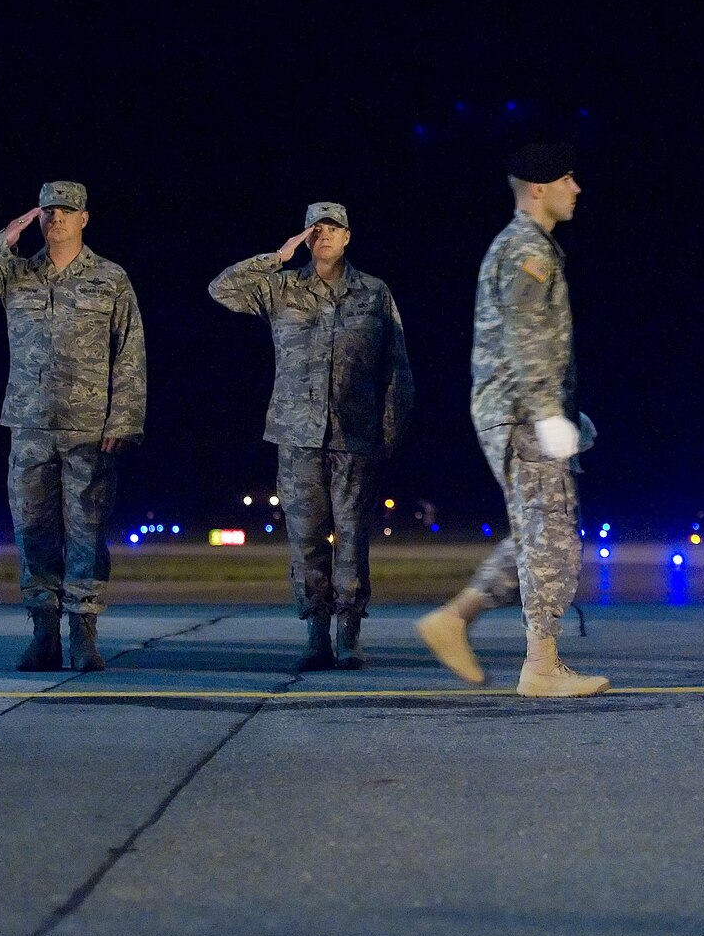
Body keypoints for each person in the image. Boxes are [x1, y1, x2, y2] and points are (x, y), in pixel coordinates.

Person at [414, 143, 608, 697]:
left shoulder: (527, 247)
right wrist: (548, 415)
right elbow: (526, 341)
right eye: (569, 179)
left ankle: (455, 618)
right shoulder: (528, 249)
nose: (577, 188)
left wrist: (565, 414)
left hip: (518, 410)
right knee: (549, 538)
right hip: (520, 415)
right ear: (540, 188)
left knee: (540, 532)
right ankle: (541, 666)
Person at [0, 181, 146, 673]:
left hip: (89, 430)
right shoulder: (15, 274)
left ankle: (83, 633)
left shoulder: (109, 278)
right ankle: (43, 634)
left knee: (86, 532)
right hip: (30, 424)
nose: (56, 218)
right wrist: (1, 243)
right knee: (33, 531)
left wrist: (124, 419)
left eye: (67, 210)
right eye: (48, 210)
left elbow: (130, 351)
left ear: (84, 219)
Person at [209, 201, 413, 671]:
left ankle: (349, 633)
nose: (323, 234)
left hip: (354, 436)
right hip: (296, 435)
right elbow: (221, 289)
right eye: (314, 228)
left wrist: (390, 430)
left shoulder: (373, 293)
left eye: (333, 227)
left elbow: (396, 367)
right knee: (304, 540)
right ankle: (315, 632)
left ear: (347, 237)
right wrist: (277, 257)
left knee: (352, 537)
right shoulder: (281, 287)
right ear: (304, 235)